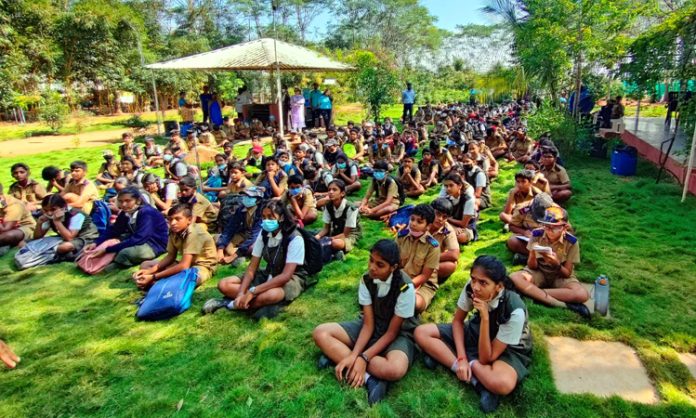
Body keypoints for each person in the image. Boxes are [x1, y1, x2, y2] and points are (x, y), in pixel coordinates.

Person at [415, 255, 532, 414]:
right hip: (475, 332)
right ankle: (472, 378)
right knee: (421, 332)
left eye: (483, 283)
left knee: (502, 384)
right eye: (473, 279)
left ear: (498, 286)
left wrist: (484, 317)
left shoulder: (514, 311)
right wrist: (461, 359)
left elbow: (487, 358)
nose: (476, 287)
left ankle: (450, 358)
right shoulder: (471, 288)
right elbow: (457, 322)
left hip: (507, 349)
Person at [312, 239, 417, 405]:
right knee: (320, 332)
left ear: (394, 267)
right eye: (371, 260)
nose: (372, 267)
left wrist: (364, 358)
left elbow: (391, 333)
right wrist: (356, 356)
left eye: (380, 264)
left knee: (395, 369)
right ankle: (370, 379)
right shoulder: (366, 280)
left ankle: (339, 356)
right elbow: (368, 325)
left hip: (398, 333)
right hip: (372, 325)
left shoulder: (406, 288)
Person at [203, 200, 313, 319]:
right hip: (269, 272)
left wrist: (253, 291)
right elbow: (251, 268)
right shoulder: (264, 233)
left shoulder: (294, 238)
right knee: (224, 284)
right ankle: (245, 301)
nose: (266, 221)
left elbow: (286, 275)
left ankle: (230, 304)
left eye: (270, 217)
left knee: (271, 295)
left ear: (281, 217)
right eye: (264, 217)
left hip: (291, 278)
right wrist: (241, 293)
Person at [509, 207, 590, 318]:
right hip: (539, 271)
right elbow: (532, 266)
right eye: (546, 226)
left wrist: (556, 264)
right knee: (514, 277)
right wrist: (532, 253)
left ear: (564, 227)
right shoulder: (537, 234)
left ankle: (532, 293)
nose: (549, 231)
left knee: (582, 294)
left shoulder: (572, 242)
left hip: (559, 276)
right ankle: (560, 304)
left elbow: (566, 273)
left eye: (554, 228)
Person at [133, 203, 217, 290]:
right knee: (146, 265)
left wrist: (153, 276)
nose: (173, 223)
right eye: (170, 219)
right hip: (185, 264)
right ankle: (156, 283)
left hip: (201, 267)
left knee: (188, 278)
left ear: (189, 220)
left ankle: (157, 284)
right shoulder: (173, 231)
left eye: (178, 219)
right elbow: (170, 256)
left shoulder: (195, 233)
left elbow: (184, 266)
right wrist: (150, 271)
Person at [82, 187, 168, 268]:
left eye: (128, 201)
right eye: (121, 201)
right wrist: (96, 242)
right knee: (112, 241)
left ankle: (111, 266)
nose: (123, 204)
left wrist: (108, 250)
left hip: (154, 244)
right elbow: (115, 229)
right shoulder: (126, 212)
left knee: (124, 253)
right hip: (138, 239)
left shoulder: (147, 213)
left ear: (138, 200)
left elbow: (140, 238)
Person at [395, 204, 440, 313]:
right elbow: (393, 261)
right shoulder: (401, 236)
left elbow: (424, 276)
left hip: (423, 285)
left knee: (414, 304)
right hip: (401, 278)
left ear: (428, 226)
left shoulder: (433, 246)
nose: (413, 224)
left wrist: (403, 288)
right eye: (412, 219)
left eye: (419, 222)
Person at [33, 193, 99, 260]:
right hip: (65, 238)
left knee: (65, 247)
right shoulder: (49, 216)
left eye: (53, 209)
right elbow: (37, 238)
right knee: (36, 244)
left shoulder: (75, 215)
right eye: (46, 210)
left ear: (63, 207)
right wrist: (39, 223)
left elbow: (70, 238)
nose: (49, 213)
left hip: (85, 238)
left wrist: (57, 222)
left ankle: (55, 256)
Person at [216, 186, 264, 265]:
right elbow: (230, 228)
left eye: (249, 196)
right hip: (244, 234)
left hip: (258, 236)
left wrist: (233, 256)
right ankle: (238, 255)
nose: (245, 198)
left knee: (252, 248)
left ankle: (238, 256)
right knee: (224, 243)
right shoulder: (241, 209)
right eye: (245, 196)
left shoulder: (262, 212)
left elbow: (255, 235)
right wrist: (220, 249)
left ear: (258, 200)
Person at [315, 179, 362, 260]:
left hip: (350, 235)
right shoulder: (328, 205)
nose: (331, 192)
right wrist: (317, 237)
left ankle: (335, 251)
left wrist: (329, 239)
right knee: (314, 236)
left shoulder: (350, 208)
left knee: (336, 243)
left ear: (342, 193)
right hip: (336, 231)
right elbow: (326, 228)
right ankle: (336, 253)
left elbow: (345, 234)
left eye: (334, 190)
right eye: (329, 190)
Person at [429, 198, 460, 282]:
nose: (440, 219)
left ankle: (422, 275)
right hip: (413, 257)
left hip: (431, 261)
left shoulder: (447, 229)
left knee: (451, 266)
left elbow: (454, 254)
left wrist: (427, 258)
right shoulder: (421, 221)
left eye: (444, 217)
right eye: (438, 214)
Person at [441, 172, 477, 244]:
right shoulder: (446, 199)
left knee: (460, 237)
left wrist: (447, 219)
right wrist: (452, 227)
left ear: (459, 185)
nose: (448, 188)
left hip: (465, 228)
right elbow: (439, 218)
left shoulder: (469, 200)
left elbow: (463, 224)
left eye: (451, 185)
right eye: (446, 186)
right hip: (448, 225)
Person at [0, 183, 36, 251]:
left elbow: (5, 229)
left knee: (9, 235)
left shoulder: (14, 205)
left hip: (23, 227)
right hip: (3, 227)